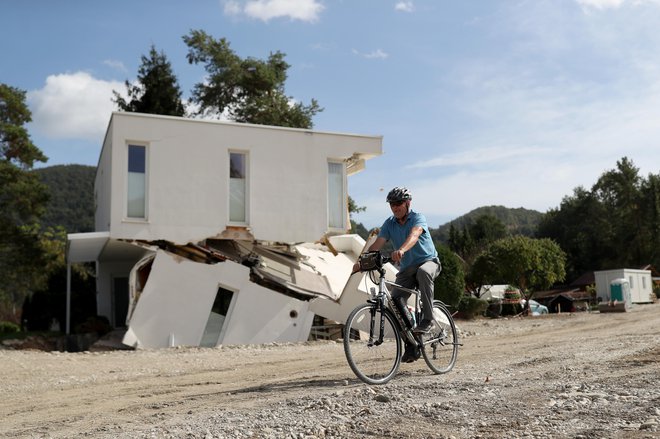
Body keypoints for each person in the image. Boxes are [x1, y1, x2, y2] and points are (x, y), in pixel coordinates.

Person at [357, 187, 441, 363]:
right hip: (407, 269)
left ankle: (428, 319)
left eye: (398, 203)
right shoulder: (389, 223)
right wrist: (363, 261)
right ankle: (411, 344)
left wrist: (401, 249)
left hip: (429, 261)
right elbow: (377, 245)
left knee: (424, 272)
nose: (395, 207)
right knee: (394, 302)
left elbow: (415, 234)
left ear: (408, 203)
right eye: (392, 204)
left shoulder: (418, 218)